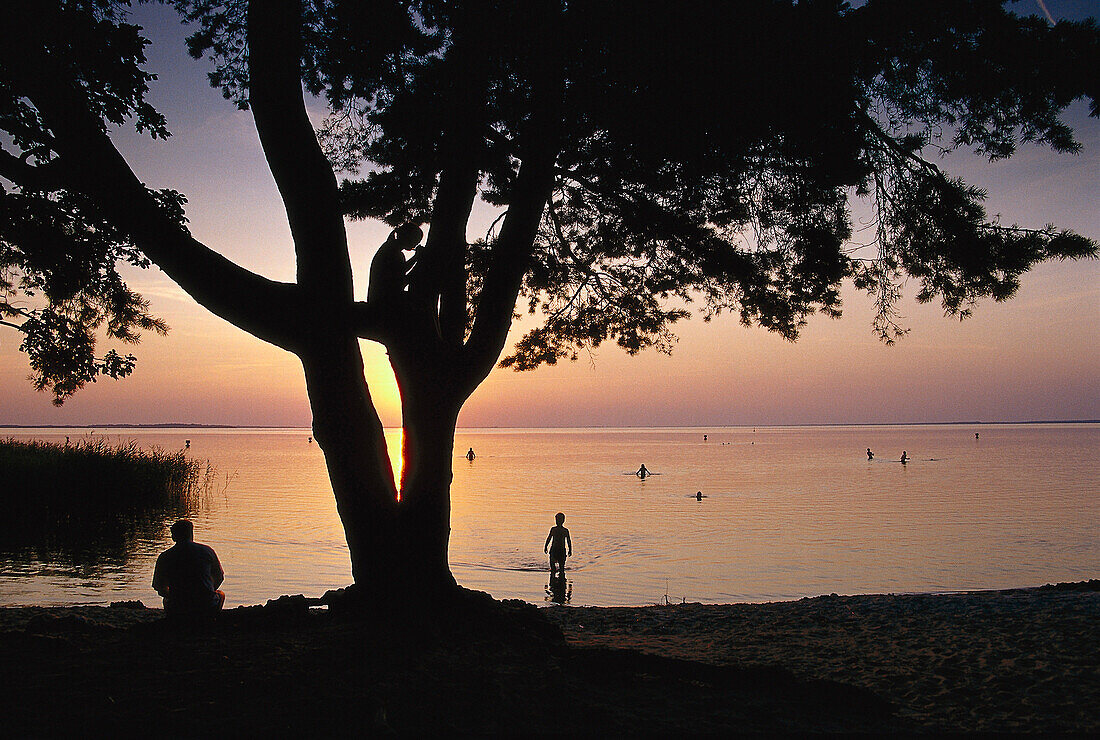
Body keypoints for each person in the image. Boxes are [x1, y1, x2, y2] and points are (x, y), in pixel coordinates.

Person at [153, 520, 225, 618]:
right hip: (206, 606)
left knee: (166, 600)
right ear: (191, 534)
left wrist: (174, 595)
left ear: (174, 536)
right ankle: (212, 617)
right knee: (220, 594)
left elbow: (159, 586)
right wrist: (207, 591)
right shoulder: (207, 551)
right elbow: (219, 577)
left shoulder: (165, 556)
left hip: (178, 608)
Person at [367, 224, 422, 306]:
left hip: (378, 299)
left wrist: (416, 257)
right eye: (416, 241)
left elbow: (401, 269)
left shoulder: (389, 248)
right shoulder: (393, 253)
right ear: (409, 238)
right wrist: (417, 264)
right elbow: (399, 282)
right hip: (385, 302)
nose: (415, 245)